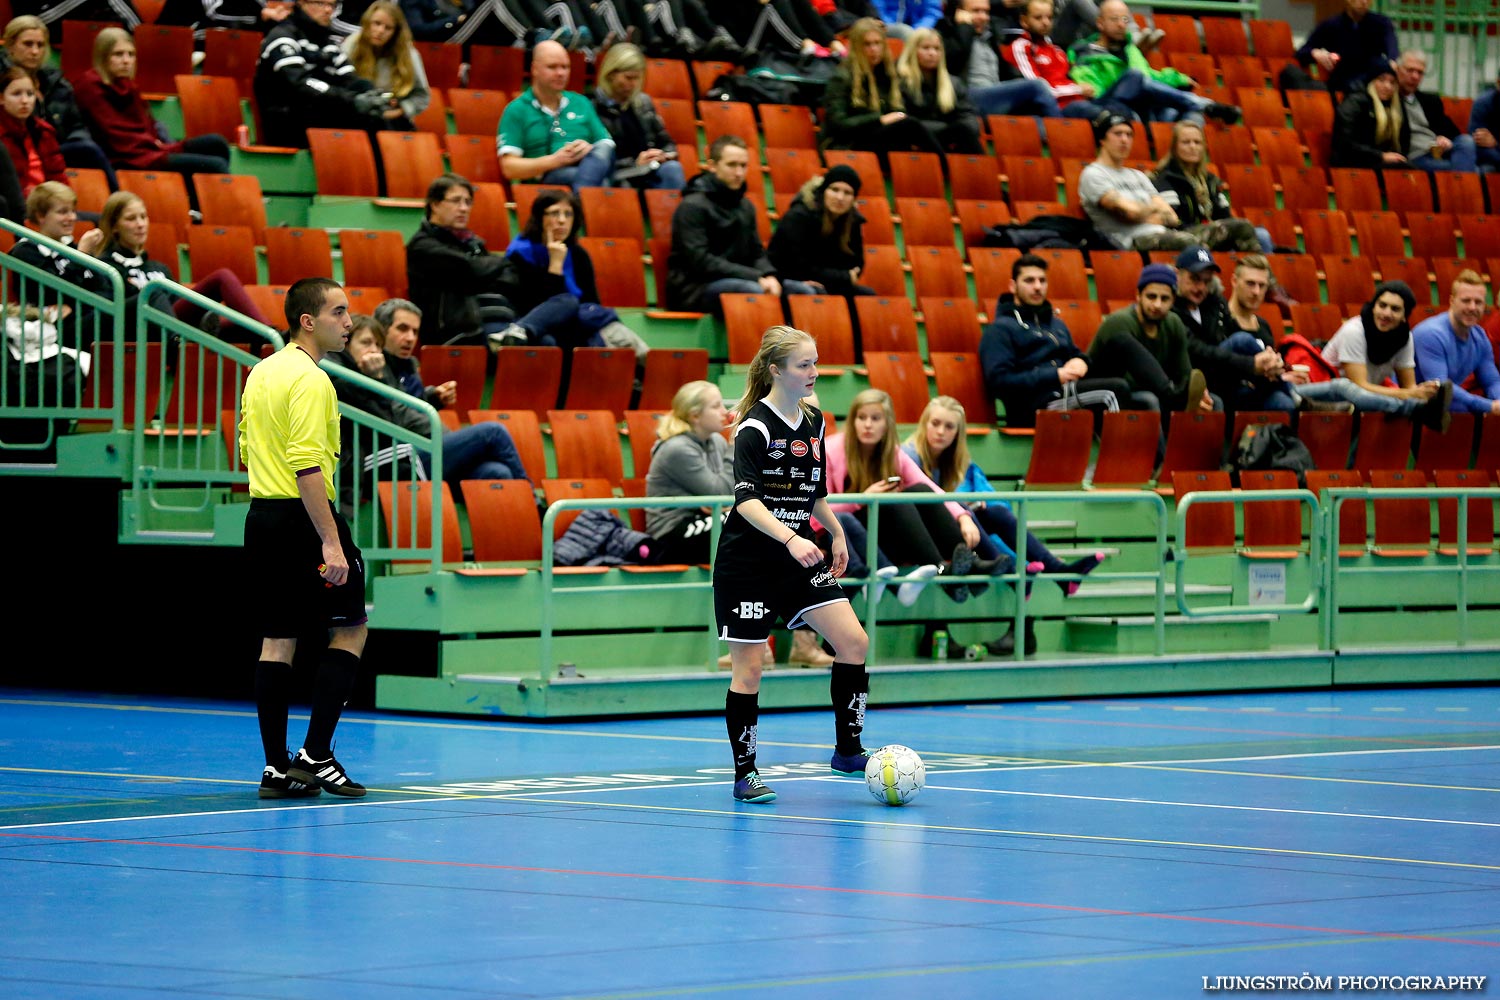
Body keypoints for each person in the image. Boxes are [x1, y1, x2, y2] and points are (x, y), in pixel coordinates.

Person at [713, 325, 874, 804]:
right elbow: (746, 501)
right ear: (775, 370)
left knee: (854, 641)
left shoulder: (815, 420)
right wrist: (789, 537)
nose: (814, 372)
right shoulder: (754, 427)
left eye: (816, 362)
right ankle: (746, 775)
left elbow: (812, 490)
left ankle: (848, 750)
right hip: (750, 561)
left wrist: (837, 529)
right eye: (804, 364)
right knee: (751, 670)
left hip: (797, 553)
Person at [240, 277, 369, 799]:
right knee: (351, 629)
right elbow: (308, 465)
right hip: (304, 520)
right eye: (339, 312)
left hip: (262, 518)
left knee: (278, 638)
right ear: (308, 321)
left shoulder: (260, 372)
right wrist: (331, 542)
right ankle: (316, 755)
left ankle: (276, 767)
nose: (350, 322)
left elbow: (247, 449)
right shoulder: (313, 381)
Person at [644, 379, 834, 668]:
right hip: (674, 532)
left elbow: (726, 491)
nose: (725, 411)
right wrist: (741, 443)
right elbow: (724, 490)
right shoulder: (677, 448)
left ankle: (775, 643)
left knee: (768, 531)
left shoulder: (714, 442)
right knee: (754, 526)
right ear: (694, 415)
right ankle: (755, 643)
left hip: (705, 519)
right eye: (716, 405)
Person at [904, 395, 1106, 655]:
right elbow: (924, 506)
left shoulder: (958, 463)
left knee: (996, 512)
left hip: (956, 531)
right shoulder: (909, 455)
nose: (941, 432)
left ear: (958, 432)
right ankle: (1019, 572)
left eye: (950, 427)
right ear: (924, 424)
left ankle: (1058, 572)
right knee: (974, 514)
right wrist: (965, 512)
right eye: (936, 423)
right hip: (920, 536)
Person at [328, 311, 533, 491]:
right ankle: (534, 504)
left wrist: (430, 398)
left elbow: (404, 408)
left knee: (496, 472)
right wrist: (373, 379)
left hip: (414, 448)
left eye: (378, 345)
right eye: (366, 343)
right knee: (493, 432)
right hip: (387, 460)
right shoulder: (341, 376)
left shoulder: (384, 372)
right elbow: (390, 419)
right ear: (345, 344)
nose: (374, 350)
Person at [490, 187, 644, 365]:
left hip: (576, 324)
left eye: (568, 214)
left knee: (608, 332)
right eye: (554, 213)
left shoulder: (578, 254)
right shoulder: (520, 254)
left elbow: (592, 302)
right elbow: (535, 305)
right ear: (540, 218)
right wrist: (555, 264)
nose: (562, 221)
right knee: (568, 305)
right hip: (535, 324)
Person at [665, 135, 816, 313]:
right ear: (712, 166)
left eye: (743, 166)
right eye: (731, 165)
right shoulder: (692, 206)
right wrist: (756, 277)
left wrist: (768, 275)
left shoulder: (746, 206)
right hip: (695, 288)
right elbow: (700, 261)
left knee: (803, 292)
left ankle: (796, 342)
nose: (739, 173)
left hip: (740, 279)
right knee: (753, 293)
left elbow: (756, 252)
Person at [91, 189, 273, 335]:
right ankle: (273, 336)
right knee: (221, 277)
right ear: (114, 226)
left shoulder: (158, 268)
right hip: (144, 331)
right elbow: (113, 316)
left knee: (244, 327)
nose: (140, 224)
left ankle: (272, 337)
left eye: (143, 217)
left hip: (177, 326)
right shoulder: (107, 268)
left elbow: (180, 304)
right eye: (131, 219)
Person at [979, 251, 1129, 426]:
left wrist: (1082, 361)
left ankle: (1166, 394)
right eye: (1029, 281)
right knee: (1114, 390)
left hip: (1068, 390)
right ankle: (1116, 453)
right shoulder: (1000, 329)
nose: (1037, 287)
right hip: (1037, 404)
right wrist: (1055, 375)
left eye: (1042, 281)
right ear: (1013, 286)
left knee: (1143, 394)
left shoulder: (1056, 324)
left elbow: (1074, 353)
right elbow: (1000, 382)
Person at [74, 28, 232, 185]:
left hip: (151, 149)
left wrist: (156, 143)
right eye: (118, 54)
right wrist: (151, 143)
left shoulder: (128, 85)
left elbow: (147, 124)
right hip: (131, 158)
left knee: (216, 143)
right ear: (102, 57)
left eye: (131, 54)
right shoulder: (90, 86)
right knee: (215, 165)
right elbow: (114, 136)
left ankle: (197, 204)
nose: (126, 60)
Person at [1298, 280, 1453, 429]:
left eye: (1395, 309)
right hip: (1329, 400)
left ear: (1405, 316)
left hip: (1367, 400)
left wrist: (1422, 391)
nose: (1386, 313)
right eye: (1382, 305)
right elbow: (1359, 386)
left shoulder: (1405, 338)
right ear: (1373, 307)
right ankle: (1420, 411)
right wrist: (1407, 394)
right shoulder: (1354, 331)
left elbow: (1408, 386)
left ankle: (1423, 410)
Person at [1068, 0, 1239, 125]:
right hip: (1112, 106)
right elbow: (1093, 91)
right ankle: (1205, 104)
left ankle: (1177, 154)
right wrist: (1130, 86)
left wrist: (1177, 78)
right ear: (1100, 23)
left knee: (1187, 115)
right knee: (1134, 77)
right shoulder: (1084, 53)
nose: (1121, 25)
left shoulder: (1130, 49)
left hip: (1145, 106)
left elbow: (1149, 78)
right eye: (1114, 20)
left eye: (1125, 20)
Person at [255, 0, 392, 148]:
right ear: (302, 3)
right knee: (361, 119)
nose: (328, 10)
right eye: (321, 3)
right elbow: (300, 85)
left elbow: (350, 79)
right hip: (287, 121)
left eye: (332, 5)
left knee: (377, 115)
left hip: (322, 114)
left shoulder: (327, 43)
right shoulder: (282, 37)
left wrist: (370, 95)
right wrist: (352, 100)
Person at [1172, 248, 1293, 414]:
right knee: (1241, 340)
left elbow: (1226, 340)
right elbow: (1197, 350)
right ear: (1177, 275)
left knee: (1282, 402)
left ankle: (1292, 396)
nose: (1200, 287)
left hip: (1225, 378)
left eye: (1206, 282)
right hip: (1192, 376)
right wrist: (1251, 365)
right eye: (1194, 279)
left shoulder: (1213, 303)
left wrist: (1270, 365)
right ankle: (1291, 390)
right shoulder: (1170, 309)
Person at [405, 172, 520, 345]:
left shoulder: (473, 243)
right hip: (457, 331)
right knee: (514, 348)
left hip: (494, 319)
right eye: (456, 201)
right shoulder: (423, 246)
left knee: (546, 341)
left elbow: (510, 278)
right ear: (435, 204)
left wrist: (484, 272)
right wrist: (502, 262)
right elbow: (471, 269)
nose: (464, 208)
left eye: (467, 202)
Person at [1, 16, 116, 187]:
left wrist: (68, 143)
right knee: (89, 150)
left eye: (40, 45)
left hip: (58, 147)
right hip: (18, 149)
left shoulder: (58, 83)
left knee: (87, 147)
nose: (34, 51)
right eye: (28, 44)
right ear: (10, 46)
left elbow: (77, 126)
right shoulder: (3, 81)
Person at [1087, 262, 1211, 413]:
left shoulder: (1173, 323)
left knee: (1212, 402)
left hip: (1154, 390)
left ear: (1173, 301)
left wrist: (1197, 394)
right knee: (1149, 400)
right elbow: (1128, 380)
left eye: (1164, 299)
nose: (1157, 305)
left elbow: (1184, 373)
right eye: (1151, 297)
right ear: (1138, 295)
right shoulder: (1119, 322)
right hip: (1104, 392)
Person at [497, 39, 615, 192]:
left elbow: (606, 145)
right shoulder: (517, 110)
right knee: (602, 183)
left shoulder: (581, 102)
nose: (560, 73)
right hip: (547, 180)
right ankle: (584, 199)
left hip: (586, 165)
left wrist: (586, 149)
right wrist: (556, 160)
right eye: (552, 67)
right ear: (534, 69)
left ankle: (582, 197)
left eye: (565, 67)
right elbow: (509, 168)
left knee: (605, 151)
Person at [1079, 111, 1203, 252]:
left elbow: (1172, 217)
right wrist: (1152, 208)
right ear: (1102, 139)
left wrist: (1139, 212)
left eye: (1129, 135)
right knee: (1192, 244)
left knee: (1231, 228)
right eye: (1118, 134)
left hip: (1164, 235)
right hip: (1130, 242)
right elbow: (1130, 213)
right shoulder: (1094, 174)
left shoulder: (1138, 175)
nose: (1124, 140)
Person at [820, 18, 944, 155]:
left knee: (908, 130)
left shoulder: (886, 74)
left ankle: (937, 170)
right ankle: (945, 169)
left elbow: (896, 110)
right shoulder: (841, 77)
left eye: (877, 43)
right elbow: (838, 124)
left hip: (878, 138)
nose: (874, 49)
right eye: (867, 44)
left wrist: (894, 116)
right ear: (856, 47)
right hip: (847, 143)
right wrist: (879, 120)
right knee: (910, 126)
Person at [998, 0, 1129, 122]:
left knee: (1124, 108)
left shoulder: (1058, 51)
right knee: (1096, 113)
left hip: (1082, 102)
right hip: (1056, 109)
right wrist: (1077, 89)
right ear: (1024, 20)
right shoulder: (1021, 47)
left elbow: (1069, 80)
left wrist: (1083, 90)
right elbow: (1037, 89)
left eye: (1049, 17)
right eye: (1038, 18)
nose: (1045, 22)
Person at [1151, 120, 1268, 253]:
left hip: (1213, 233)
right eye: (1186, 142)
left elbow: (1226, 216)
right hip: (1184, 236)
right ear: (1174, 147)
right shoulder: (1165, 179)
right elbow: (1173, 221)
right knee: (1242, 228)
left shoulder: (1211, 181)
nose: (1192, 147)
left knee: (1262, 234)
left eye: (1197, 142)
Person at [766, 165, 874, 302]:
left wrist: (833, 277)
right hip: (787, 278)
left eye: (847, 193)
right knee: (811, 292)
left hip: (825, 281)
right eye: (834, 190)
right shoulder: (799, 216)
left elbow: (856, 265)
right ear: (824, 191)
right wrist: (841, 276)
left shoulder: (853, 221)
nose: (840, 197)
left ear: (853, 199)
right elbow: (795, 263)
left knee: (866, 296)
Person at [940, 0, 1062, 119]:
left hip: (995, 94)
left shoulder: (988, 37)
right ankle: (1061, 135)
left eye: (986, 12)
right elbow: (952, 63)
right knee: (1037, 86)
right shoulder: (946, 32)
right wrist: (964, 27)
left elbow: (1007, 71)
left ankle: (1050, 137)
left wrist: (1020, 83)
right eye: (976, 11)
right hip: (967, 97)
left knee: (1035, 111)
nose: (983, 17)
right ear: (959, 12)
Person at [590, 42, 685, 191]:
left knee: (672, 168)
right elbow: (595, 159)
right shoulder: (592, 106)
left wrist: (662, 155)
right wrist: (635, 163)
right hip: (618, 173)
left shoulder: (644, 103)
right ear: (610, 74)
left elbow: (668, 143)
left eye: (637, 78)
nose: (633, 84)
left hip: (650, 168)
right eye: (628, 78)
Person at [1413, 270, 1500, 415]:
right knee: (1474, 411)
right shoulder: (1431, 334)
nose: (1472, 307)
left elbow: (1492, 381)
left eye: (1478, 302)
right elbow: (1440, 387)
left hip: (1446, 406)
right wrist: (1488, 406)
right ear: (1452, 301)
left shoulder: (1480, 337)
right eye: (1466, 301)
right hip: (1412, 407)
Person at [342, 1, 431, 131]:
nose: (380, 31)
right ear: (367, 23)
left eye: (388, 28)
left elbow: (422, 96)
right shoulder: (353, 43)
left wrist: (400, 110)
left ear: (396, 32)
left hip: (393, 121)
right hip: (356, 115)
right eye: (377, 23)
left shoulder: (409, 54)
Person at [1279, 0, 1396, 96]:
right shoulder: (1331, 24)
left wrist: (1391, 63)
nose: (1364, 2)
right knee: (1290, 72)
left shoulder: (1382, 24)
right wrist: (1315, 53)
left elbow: (1393, 52)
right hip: (1339, 84)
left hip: (1368, 84)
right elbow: (1301, 53)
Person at [894, 27, 983, 153]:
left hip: (944, 138)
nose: (932, 53)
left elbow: (969, 118)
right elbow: (902, 119)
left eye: (936, 49)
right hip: (913, 139)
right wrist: (946, 127)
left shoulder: (954, 83)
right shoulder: (899, 80)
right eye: (925, 48)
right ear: (912, 51)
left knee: (964, 131)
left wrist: (955, 129)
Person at [1392, 50, 1478, 173]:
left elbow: (1453, 132)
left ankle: (1464, 180)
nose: (1415, 76)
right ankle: (1467, 180)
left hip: (1438, 152)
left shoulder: (1429, 101)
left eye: (1420, 72)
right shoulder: (1390, 99)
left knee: (1466, 141)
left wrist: (1445, 138)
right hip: (1415, 156)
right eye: (1410, 70)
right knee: (1479, 170)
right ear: (1397, 70)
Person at [1331, 57, 1411, 170]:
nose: (1387, 86)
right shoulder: (1355, 102)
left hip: (1379, 161)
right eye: (1381, 80)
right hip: (1352, 162)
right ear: (1371, 82)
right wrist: (1381, 156)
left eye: (1392, 82)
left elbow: (1404, 141)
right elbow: (1345, 144)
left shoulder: (1396, 106)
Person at [0, 66, 66, 198]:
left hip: (48, 206)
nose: (25, 101)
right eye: (16, 94)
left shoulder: (44, 131)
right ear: (1, 98)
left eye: (30, 94)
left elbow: (58, 176)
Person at [1470, 70, 1500, 173]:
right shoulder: (1483, 103)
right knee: (1482, 172)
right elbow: (1479, 145)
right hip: (1490, 162)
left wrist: (1496, 143)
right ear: (1498, 83)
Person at [868, 0, 940, 40]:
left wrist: (918, 30)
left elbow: (932, 13)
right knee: (904, 31)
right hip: (885, 26)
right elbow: (877, 12)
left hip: (917, 28)